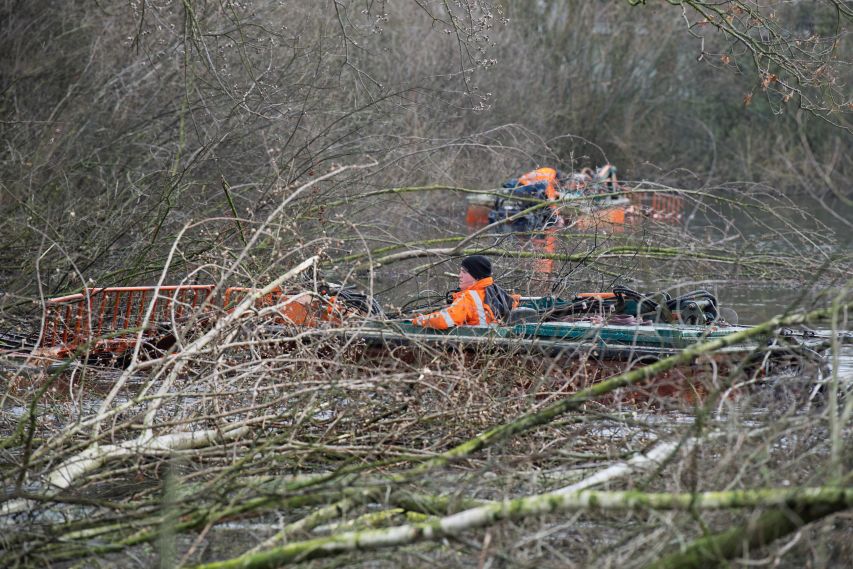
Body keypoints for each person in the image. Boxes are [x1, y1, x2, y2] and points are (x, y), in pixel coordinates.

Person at [412, 255, 518, 329]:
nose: (460, 275)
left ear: (476, 275)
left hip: (473, 348)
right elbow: (514, 302)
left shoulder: (469, 298)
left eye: (464, 272)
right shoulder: (497, 292)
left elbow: (443, 320)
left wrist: (420, 320)